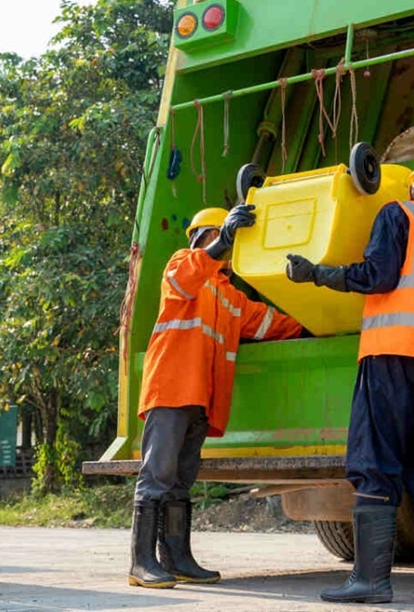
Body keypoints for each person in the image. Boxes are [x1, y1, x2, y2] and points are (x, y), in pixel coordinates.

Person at [285, 152, 414, 604]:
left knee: (375, 461)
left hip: (391, 355)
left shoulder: (399, 214)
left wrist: (317, 273)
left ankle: (372, 582)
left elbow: (376, 276)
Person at [129, 204, 304, 589]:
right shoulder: (182, 265)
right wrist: (221, 241)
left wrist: (314, 322)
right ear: (204, 237)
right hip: (172, 389)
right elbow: (184, 279)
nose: (225, 245)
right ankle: (141, 563)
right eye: (221, 236)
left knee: (180, 481)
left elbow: (269, 322)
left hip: (199, 398)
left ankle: (177, 558)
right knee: (157, 476)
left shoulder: (230, 296)